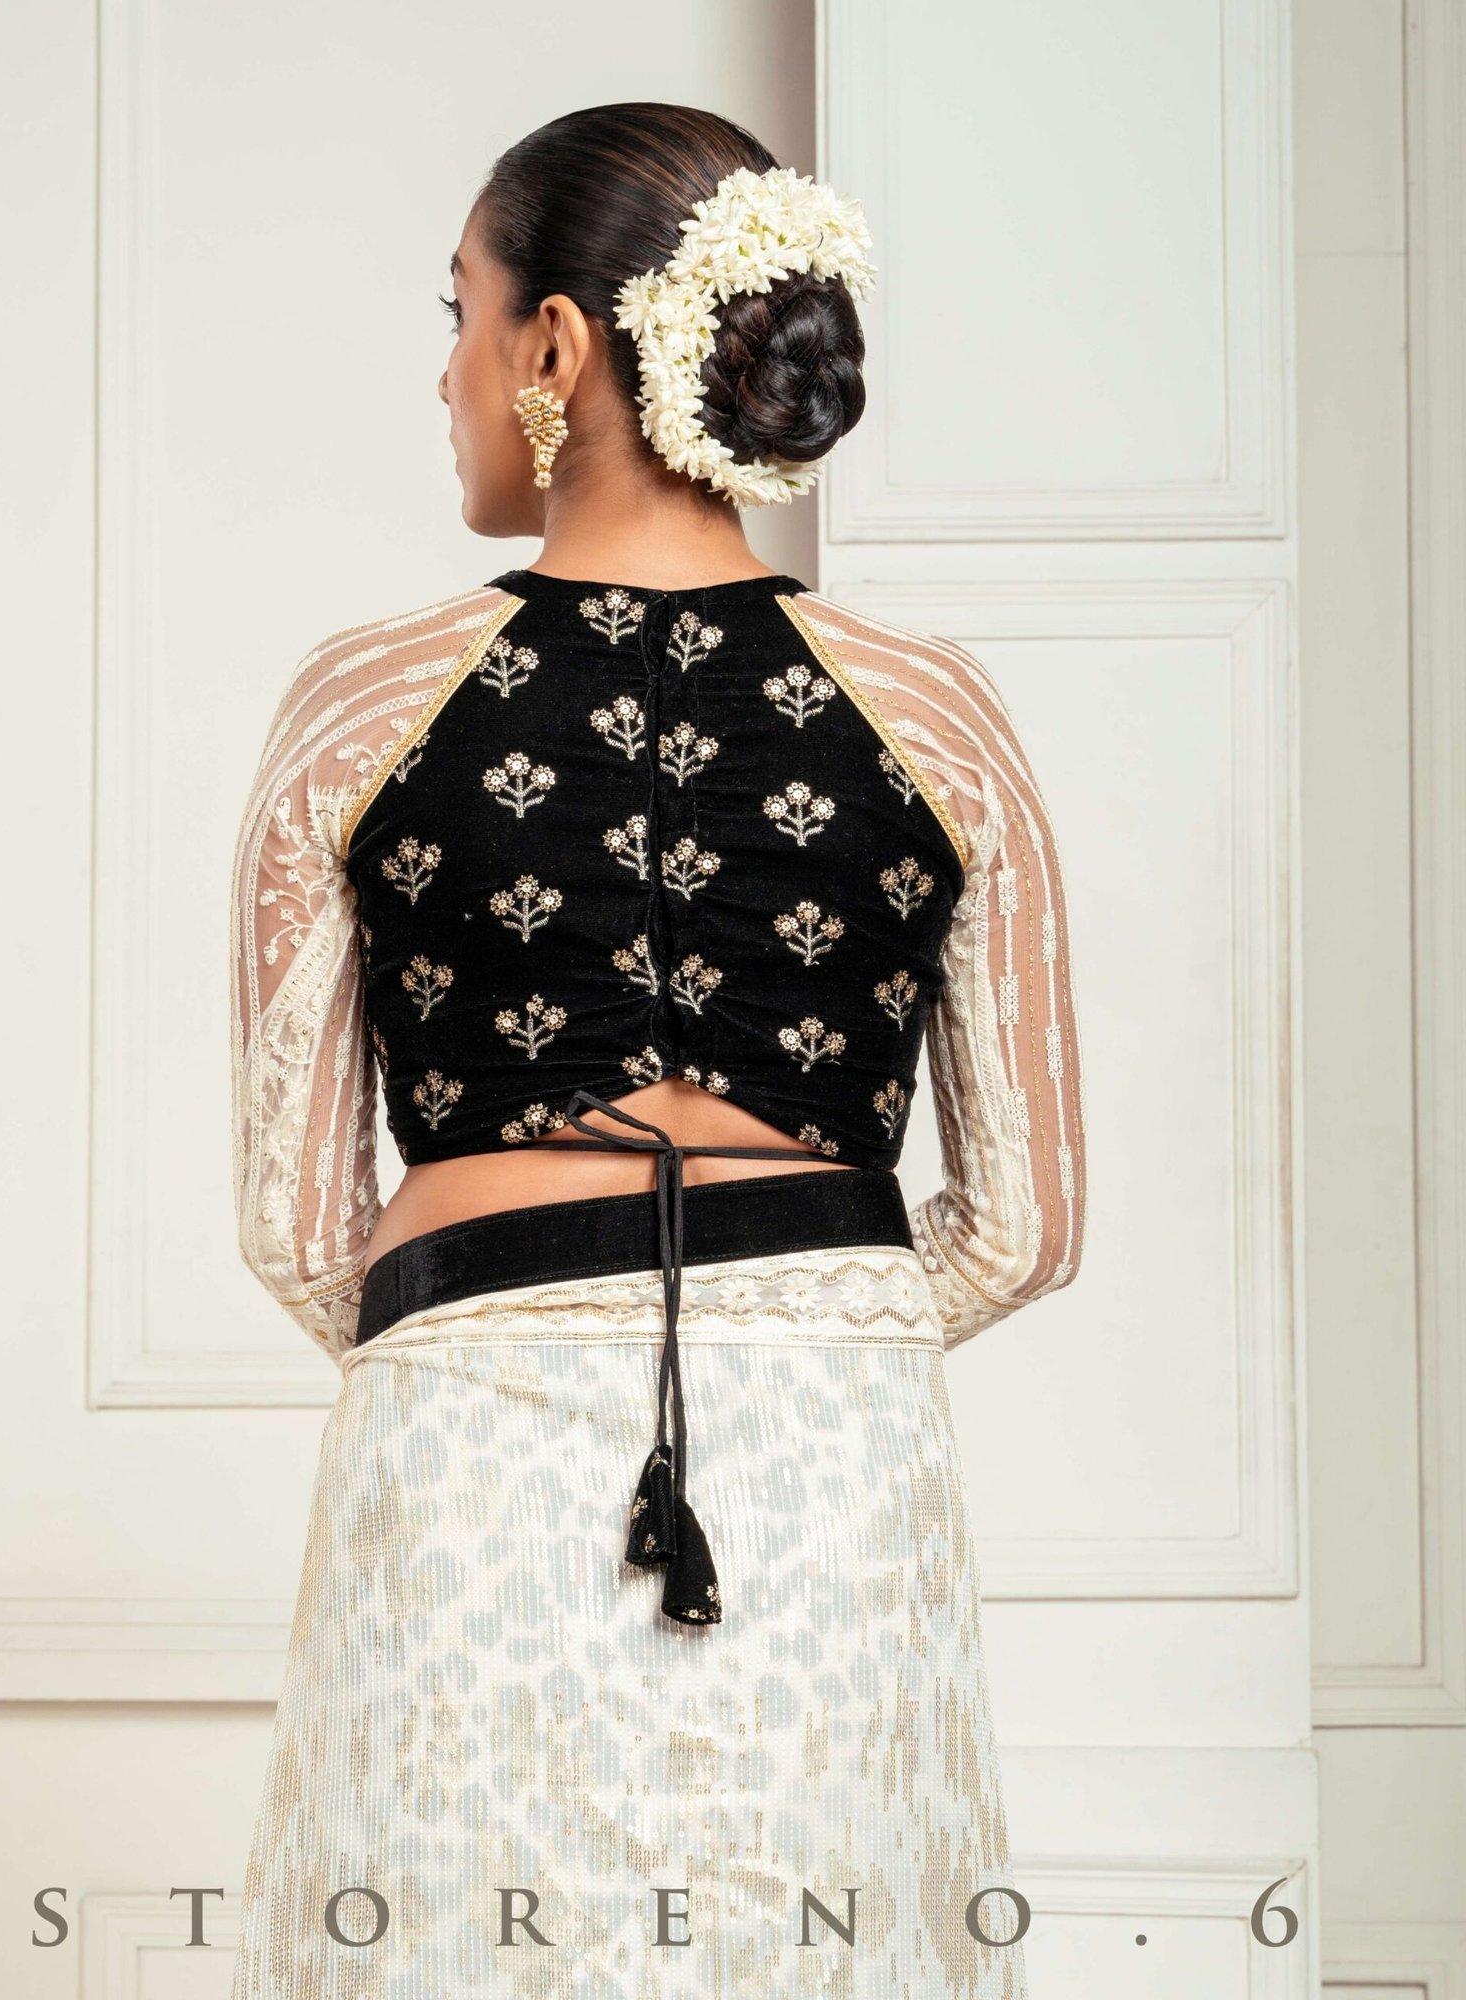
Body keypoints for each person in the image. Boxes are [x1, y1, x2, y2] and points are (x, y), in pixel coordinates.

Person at [227, 101, 1085, 2000]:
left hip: (464, 1430)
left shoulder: (362, 703)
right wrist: (808, 1317)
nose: (443, 371)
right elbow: (1026, 1226)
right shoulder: (939, 712)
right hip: (837, 1440)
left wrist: (505, 1314)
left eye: (457, 313)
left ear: (552, 344)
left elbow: (294, 1226)